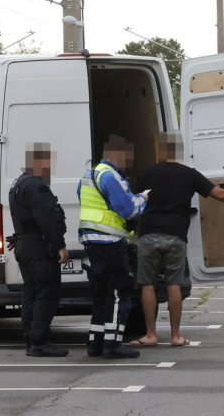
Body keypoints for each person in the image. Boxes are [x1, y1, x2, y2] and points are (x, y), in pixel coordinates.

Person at [130, 132, 224, 348]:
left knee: (147, 285)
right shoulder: (189, 174)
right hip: (176, 237)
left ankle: (151, 335)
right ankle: (176, 336)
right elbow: (220, 194)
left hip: (149, 235)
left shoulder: (149, 172)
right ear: (178, 151)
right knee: (174, 284)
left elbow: (133, 199)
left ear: (160, 151)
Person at [78, 135, 148, 359]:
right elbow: (128, 210)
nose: (128, 160)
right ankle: (113, 345)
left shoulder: (88, 175)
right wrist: (143, 198)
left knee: (101, 295)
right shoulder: (110, 177)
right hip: (110, 244)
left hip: (92, 245)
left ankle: (95, 344)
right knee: (119, 295)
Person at [8, 142, 70, 357]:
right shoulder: (37, 186)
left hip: (24, 245)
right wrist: (60, 245)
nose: (50, 167)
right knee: (47, 293)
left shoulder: (17, 184)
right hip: (39, 247)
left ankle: (31, 339)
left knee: (31, 292)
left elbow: (23, 217)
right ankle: (40, 342)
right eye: (47, 163)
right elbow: (47, 219)